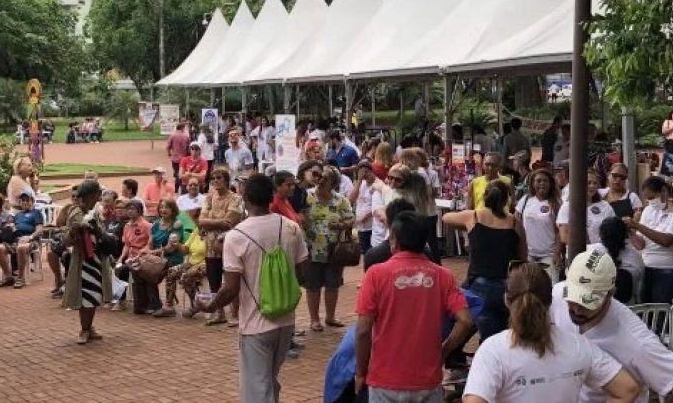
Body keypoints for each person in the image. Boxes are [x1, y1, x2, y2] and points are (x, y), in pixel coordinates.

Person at [195, 173, 308, 403]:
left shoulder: (236, 236)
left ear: (245, 198)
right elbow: (303, 274)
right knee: (269, 380)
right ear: (271, 196)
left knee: (257, 388)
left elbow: (231, 289)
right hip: (286, 319)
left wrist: (211, 304)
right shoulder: (291, 228)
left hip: (255, 323)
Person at [462, 263, 640, 403]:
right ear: (550, 301)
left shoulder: (492, 351)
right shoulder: (578, 346)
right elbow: (627, 389)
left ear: (507, 300)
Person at [550, 250, 673, 402]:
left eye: (587, 303)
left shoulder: (636, 342)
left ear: (610, 293)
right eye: (572, 299)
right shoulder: (557, 295)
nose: (576, 309)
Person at [355, 211, 473, 402]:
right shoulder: (443, 275)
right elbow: (466, 321)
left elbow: (362, 331)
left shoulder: (376, 275)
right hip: (427, 381)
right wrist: (443, 352)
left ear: (394, 240)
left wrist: (361, 372)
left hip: (385, 380)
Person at [443, 180, 525, 341]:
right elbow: (523, 257)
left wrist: (467, 228)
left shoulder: (473, 216)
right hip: (506, 283)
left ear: (485, 196)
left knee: (464, 318)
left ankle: (455, 355)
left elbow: (446, 217)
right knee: (500, 330)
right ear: (506, 199)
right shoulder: (514, 222)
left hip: (478, 281)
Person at [303, 167, 355, 332]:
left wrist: (340, 225)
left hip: (334, 250)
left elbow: (350, 219)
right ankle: (314, 319)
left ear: (333, 183)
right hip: (311, 248)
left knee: (333, 284)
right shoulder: (307, 196)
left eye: (325, 178)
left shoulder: (340, 200)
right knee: (313, 284)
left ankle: (330, 316)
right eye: (319, 177)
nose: (321, 180)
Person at [61, 180, 112, 344]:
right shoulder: (75, 213)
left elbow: (102, 234)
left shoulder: (94, 212)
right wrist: (75, 231)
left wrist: (97, 230)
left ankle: (89, 327)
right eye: (97, 194)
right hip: (83, 260)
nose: (99, 197)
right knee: (85, 297)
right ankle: (84, 329)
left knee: (94, 295)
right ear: (91, 195)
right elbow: (67, 241)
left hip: (96, 258)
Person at [627, 176, 673, 304]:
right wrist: (630, 231)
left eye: (652, 197)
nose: (650, 202)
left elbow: (667, 241)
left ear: (664, 191)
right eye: (647, 199)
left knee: (662, 316)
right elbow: (640, 245)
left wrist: (637, 225)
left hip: (670, 270)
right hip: (647, 268)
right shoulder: (649, 210)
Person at [197, 166, 243, 325]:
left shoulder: (236, 198)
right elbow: (201, 221)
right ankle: (219, 313)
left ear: (226, 179)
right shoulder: (209, 198)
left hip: (229, 244)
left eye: (219, 178)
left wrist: (210, 223)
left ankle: (236, 314)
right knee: (214, 279)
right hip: (210, 246)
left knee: (232, 280)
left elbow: (231, 221)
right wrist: (219, 222)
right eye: (213, 178)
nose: (215, 181)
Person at [515, 169, 563, 283]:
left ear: (551, 183)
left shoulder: (556, 203)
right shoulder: (525, 200)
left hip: (549, 255)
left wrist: (557, 253)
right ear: (532, 183)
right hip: (527, 254)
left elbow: (560, 231)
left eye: (545, 181)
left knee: (551, 289)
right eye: (538, 181)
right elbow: (516, 224)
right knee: (528, 288)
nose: (542, 184)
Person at [557, 170, 616, 253]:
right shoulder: (567, 207)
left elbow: (614, 230)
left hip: (601, 253)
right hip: (577, 254)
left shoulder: (605, 206)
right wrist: (587, 249)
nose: (592, 186)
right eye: (588, 183)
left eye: (595, 183)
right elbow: (564, 236)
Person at [114, 200, 152, 313]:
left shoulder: (147, 226)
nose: (130, 211)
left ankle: (143, 303)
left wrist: (140, 254)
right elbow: (126, 245)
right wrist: (121, 258)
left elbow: (150, 244)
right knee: (120, 269)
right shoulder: (127, 226)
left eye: (133, 209)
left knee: (135, 270)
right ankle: (121, 301)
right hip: (130, 258)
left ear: (140, 211)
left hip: (143, 258)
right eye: (128, 209)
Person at [151, 199, 186, 317]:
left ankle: (169, 305)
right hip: (158, 256)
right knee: (141, 268)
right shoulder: (155, 224)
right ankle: (151, 303)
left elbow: (171, 248)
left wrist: (153, 252)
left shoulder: (177, 224)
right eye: (161, 207)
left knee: (159, 269)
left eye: (167, 207)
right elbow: (149, 243)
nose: (163, 210)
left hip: (173, 258)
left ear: (173, 210)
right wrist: (147, 252)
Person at [592, 218, 641, 304]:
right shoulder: (636, 258)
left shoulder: (589, 251)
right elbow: (639, 291)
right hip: (631, 310)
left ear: (600, 234)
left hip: (596, 311)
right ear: (625, 234)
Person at [9, 192, 44, 288]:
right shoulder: (17, 215)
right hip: (17, 239)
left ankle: (20, 278)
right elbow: (13, 229)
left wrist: (29, 237)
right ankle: (9, 277)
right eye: (22, 201)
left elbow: (40, 230)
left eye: (27, 200)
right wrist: (12, 228)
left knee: (21, 248)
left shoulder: (36, 213)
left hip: (32, 240)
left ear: (32, 201)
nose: (24, 202)